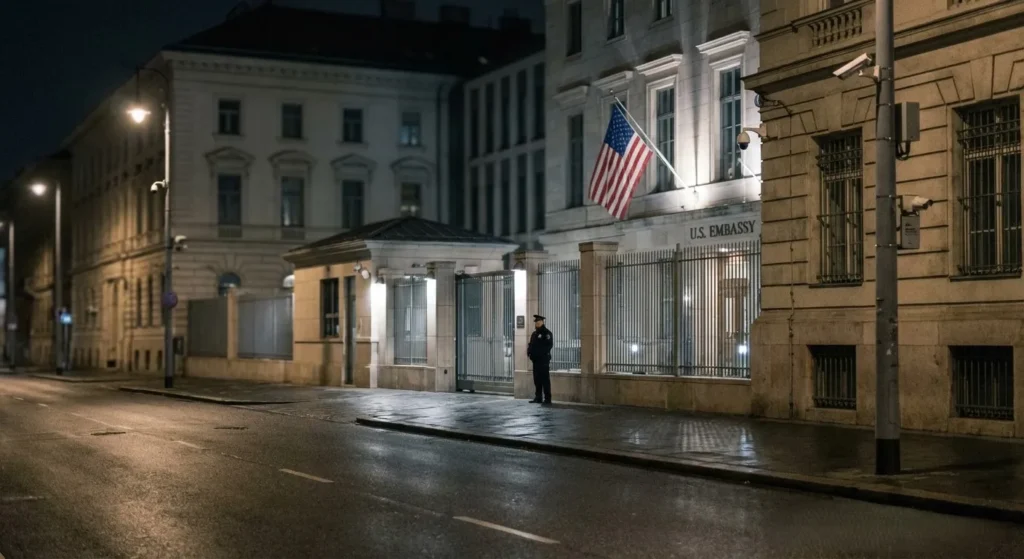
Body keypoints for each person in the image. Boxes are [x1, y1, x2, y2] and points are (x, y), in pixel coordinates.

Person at [527, 314, 553, 404]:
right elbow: (530, 345)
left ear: (542, 322)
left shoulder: (547, 333)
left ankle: (547, 398)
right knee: (537, 379)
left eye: (538, 322)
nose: (536, 323)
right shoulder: (534, 334)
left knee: (545, 380)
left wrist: (539, 354)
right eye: (536, 322)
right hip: (536, 361)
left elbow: (548, 346)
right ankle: (538, 397)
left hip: (543, 361)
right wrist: (529, 353)